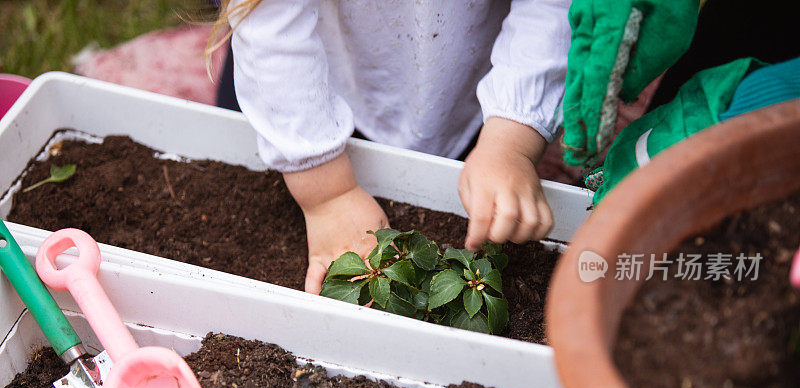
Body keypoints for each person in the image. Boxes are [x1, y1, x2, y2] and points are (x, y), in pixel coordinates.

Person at [207, 0, 570, 294]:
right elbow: (268, 23)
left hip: (473, 83)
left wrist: (511, 138)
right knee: (241, 144)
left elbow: (553, 10)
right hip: (303, 80)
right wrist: (325, 191)